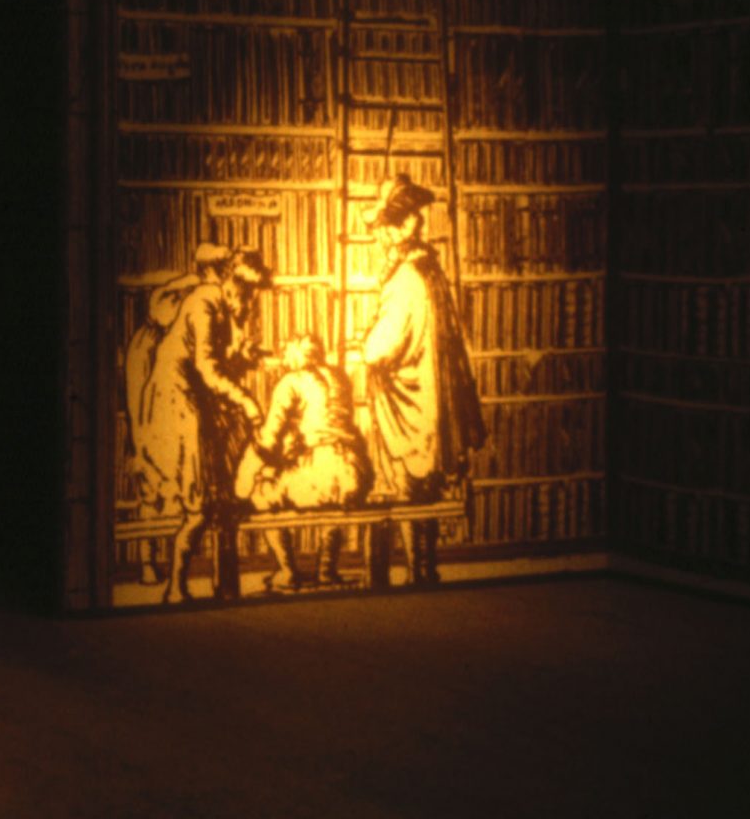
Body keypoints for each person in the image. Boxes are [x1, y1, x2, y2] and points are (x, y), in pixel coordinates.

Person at [355, 174, 486, 586]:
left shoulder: (406, 280)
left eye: (383, 228)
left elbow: (379, 349)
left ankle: (416, 576)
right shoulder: (431, 272)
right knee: (423, 494)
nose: (378, 237)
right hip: (433, 410)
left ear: (401, 228)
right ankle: (424, 572)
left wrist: (363, 343)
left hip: (409, 412)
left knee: (406, 494)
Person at [128, 246, 268, 604]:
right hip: (174, 401)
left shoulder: (216, 304)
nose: (249, 302)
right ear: (232, 282)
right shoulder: (204, 302)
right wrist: (246, 400)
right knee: (197, 503)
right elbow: (207, 367)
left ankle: (183, 585)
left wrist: (244, 358)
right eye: (247, 292)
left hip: (189, 400)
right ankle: (175, 587)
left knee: (207, 497)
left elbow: (215, 360)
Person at [236, 335, 372, 592]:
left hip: (321, 468)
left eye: (286, 354)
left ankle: (287, 571)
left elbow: (268, 440)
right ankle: (326, 570)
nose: (283, 360)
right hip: (355, 471)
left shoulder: (291, 381)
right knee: (333, 500)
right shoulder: (339, 377)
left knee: (261, 494)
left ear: (297, 355)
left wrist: (251, 469)